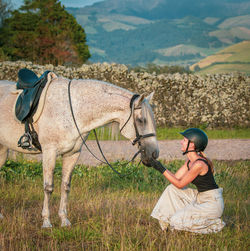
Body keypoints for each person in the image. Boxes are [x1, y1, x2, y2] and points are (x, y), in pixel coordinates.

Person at [148, 128, 225, 234]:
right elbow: (176, 178)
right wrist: (154, 163)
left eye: (184, 140)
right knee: (171, 189)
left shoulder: (199, 164)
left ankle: (214, 224)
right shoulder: (190, 161)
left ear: (192, 144)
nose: (181, 142)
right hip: (200, 197)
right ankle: (165, 225)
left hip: (212, 203)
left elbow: (180, 184)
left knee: (176, 221)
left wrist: (160, 168)